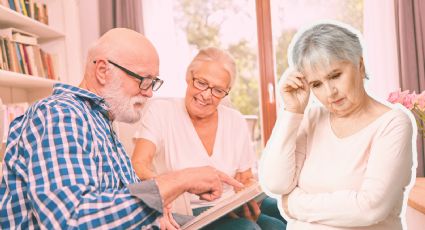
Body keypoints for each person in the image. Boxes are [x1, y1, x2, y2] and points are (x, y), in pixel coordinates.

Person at [0, 28, 244, 229]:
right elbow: (70, 221)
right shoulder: (59, 114)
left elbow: (107, 201)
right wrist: (180, 180)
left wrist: (155, 212)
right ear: (103, 71)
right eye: (143, 80)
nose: (149, 92)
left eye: (153, 82)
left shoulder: (100, 121)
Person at [259, 22, 416, 229]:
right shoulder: (312, 117)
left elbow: (369, 208)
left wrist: (293, 204)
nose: (330, 92)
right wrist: (292, 111)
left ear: (360, 65)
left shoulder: (393, 123)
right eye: (316, 84)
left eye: (335, 76)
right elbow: (276, 183)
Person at [132, 47, 286, 229]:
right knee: (247, 228)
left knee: (281, 216)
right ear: (189, 77)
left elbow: (246, 177)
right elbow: (138, 166)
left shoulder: (234, 119)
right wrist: (171, 186)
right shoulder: (161, 112)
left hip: (230, 205)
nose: (206, 95)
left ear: (226, 92)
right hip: (190, 213)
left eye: (218, 90)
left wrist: (247, 195)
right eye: (201, 83)